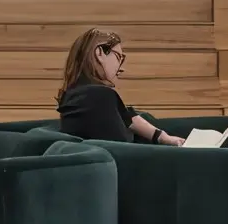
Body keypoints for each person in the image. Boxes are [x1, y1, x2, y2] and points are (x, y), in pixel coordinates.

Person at [54, 28, 189, 142]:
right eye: (119, 57)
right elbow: (121, 145)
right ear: (99, 53)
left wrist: (163, 137)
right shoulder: (98, 96)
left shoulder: (78, 94)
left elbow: (127, 117)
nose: (121, 68)